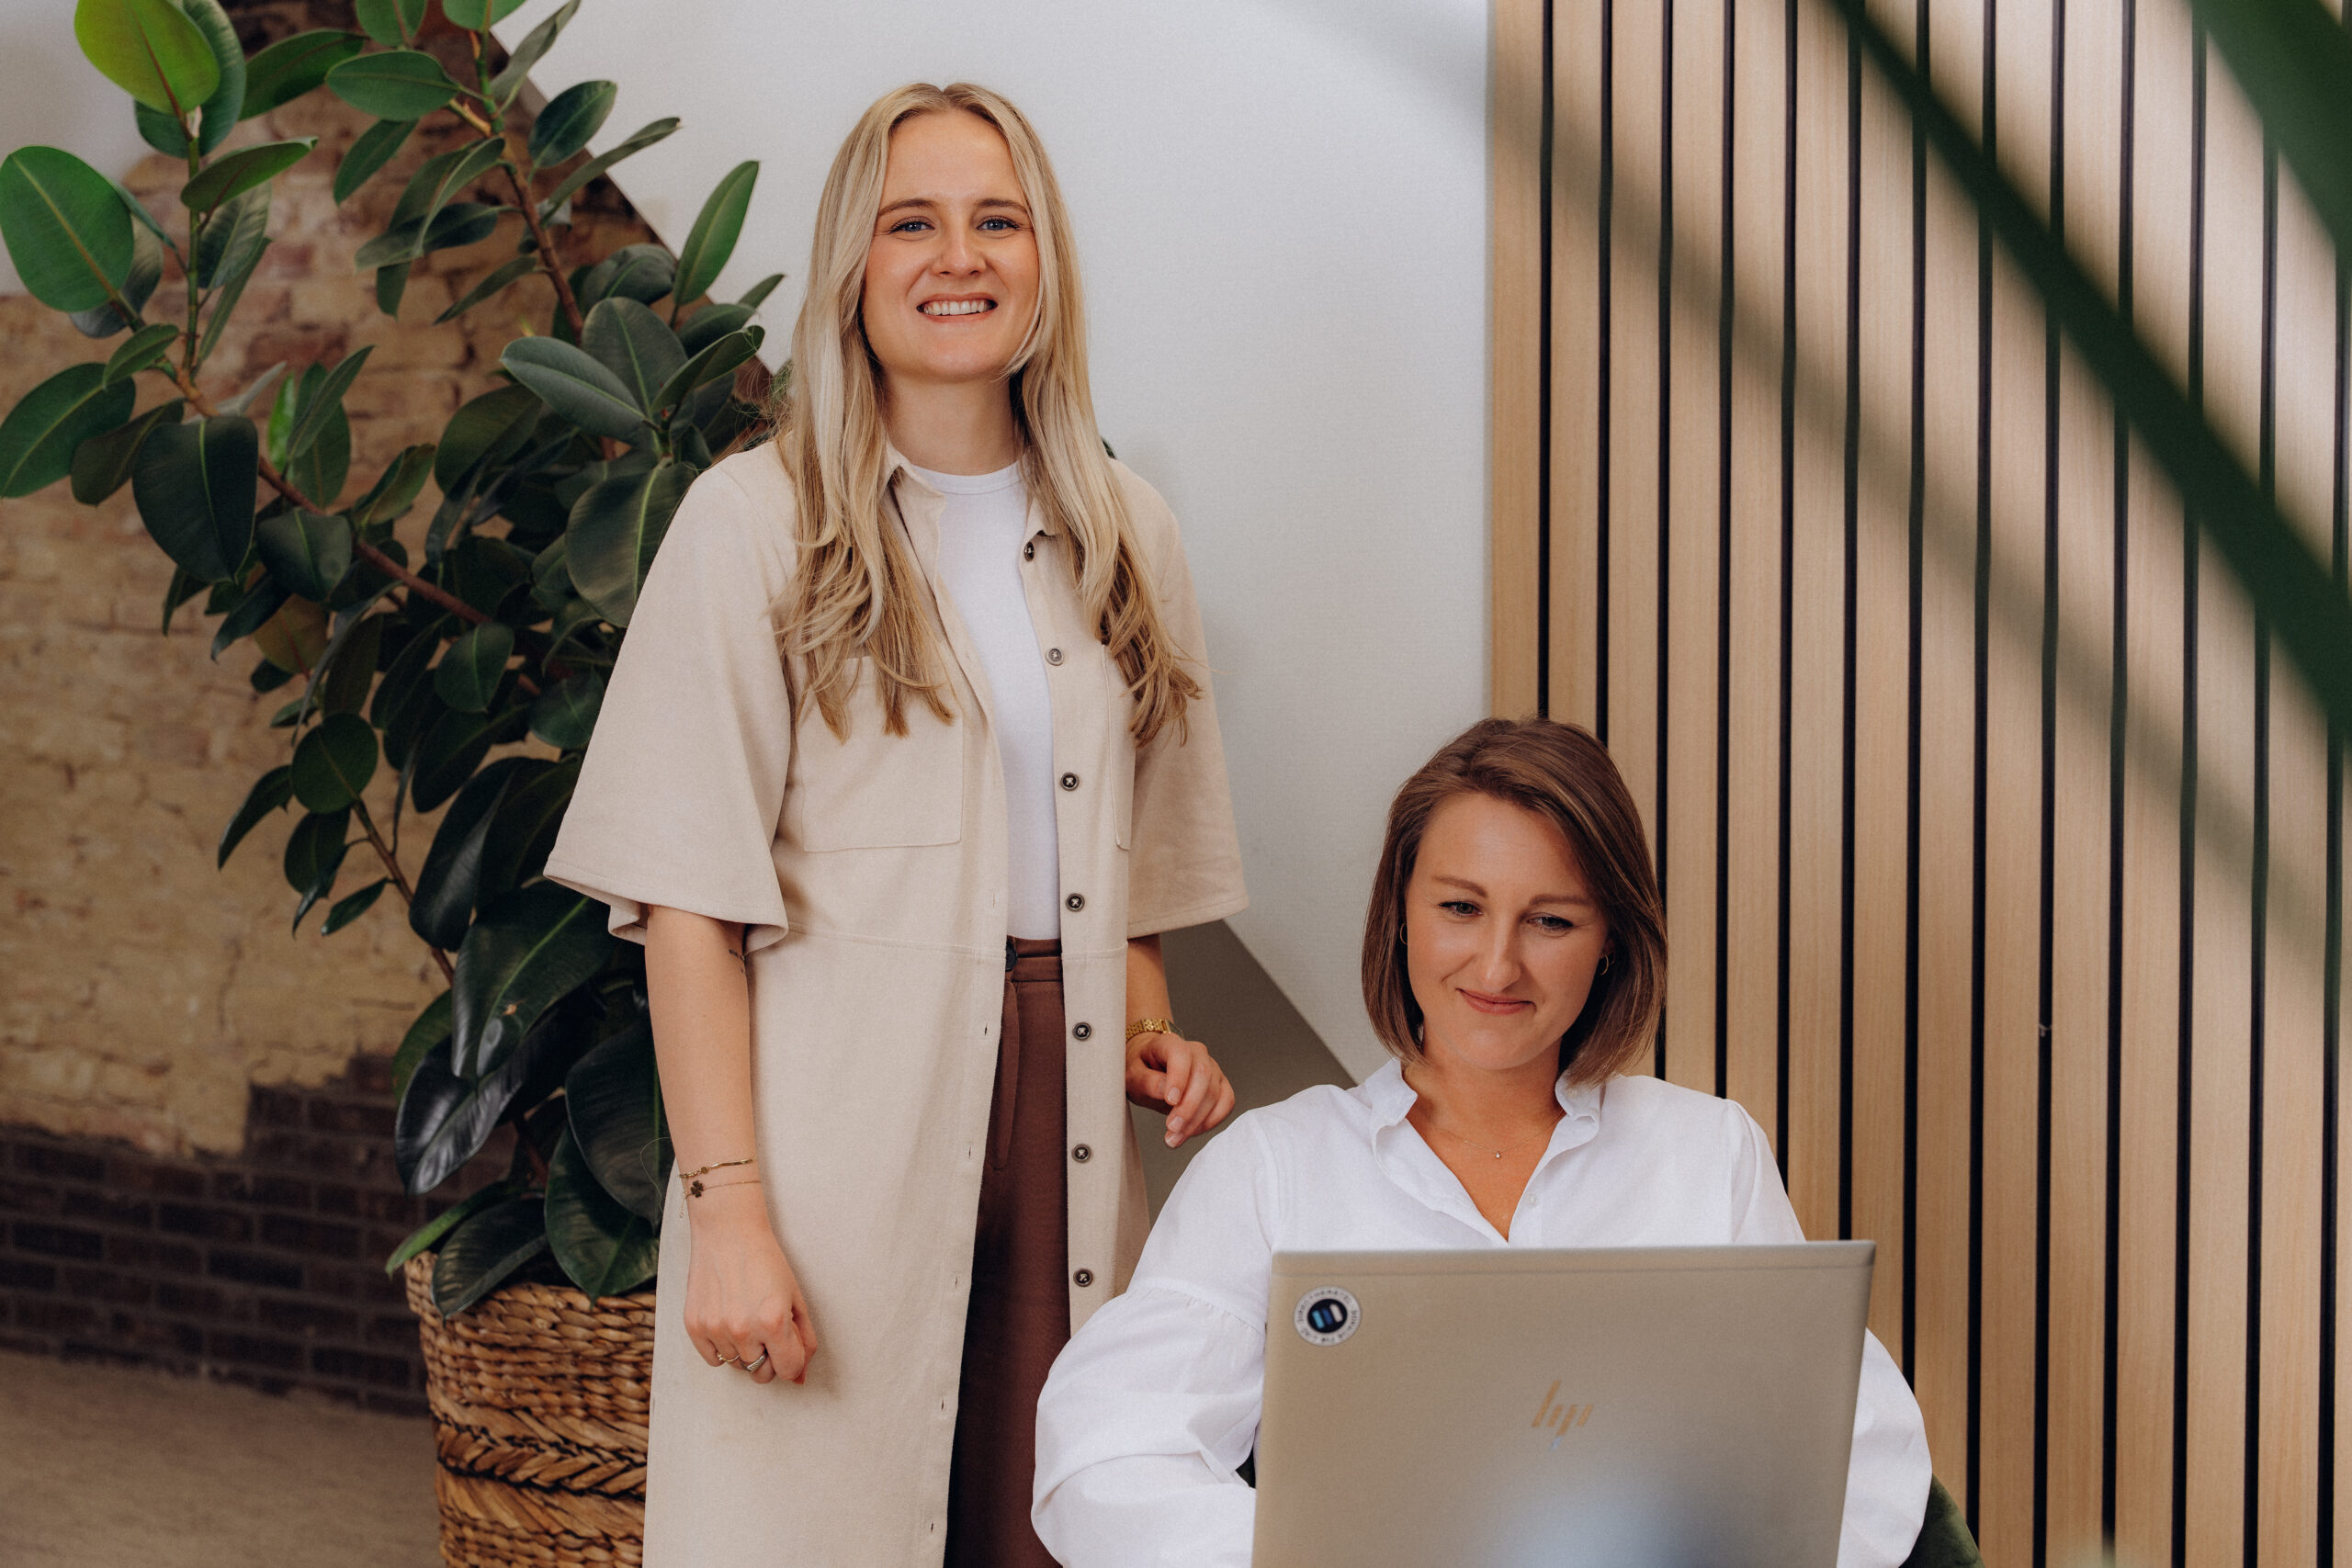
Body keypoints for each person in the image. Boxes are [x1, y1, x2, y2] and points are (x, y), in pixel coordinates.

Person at [543, 82, 1248, 1568]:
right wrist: (728, 1210)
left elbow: (1132, 881)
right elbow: (686, 906)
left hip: (1062, 1131)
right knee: (811, 1521)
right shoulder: (752, 525)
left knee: (1049, 1516)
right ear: (852, 270)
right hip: (828, 1129)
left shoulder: (1131, 529)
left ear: (1044, 261)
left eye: (998, 220)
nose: (960, 255)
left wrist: (1148, 1028)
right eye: (911, 222)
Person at [1031, 717, 1932, 1567]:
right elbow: (1102, 1457)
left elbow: (1861, 1456)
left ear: (1610, 942)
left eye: (1550, 921)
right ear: (1400, 914)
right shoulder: (1272, 1171)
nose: (1497, 967)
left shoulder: (1706, 1153)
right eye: (1461, 908)